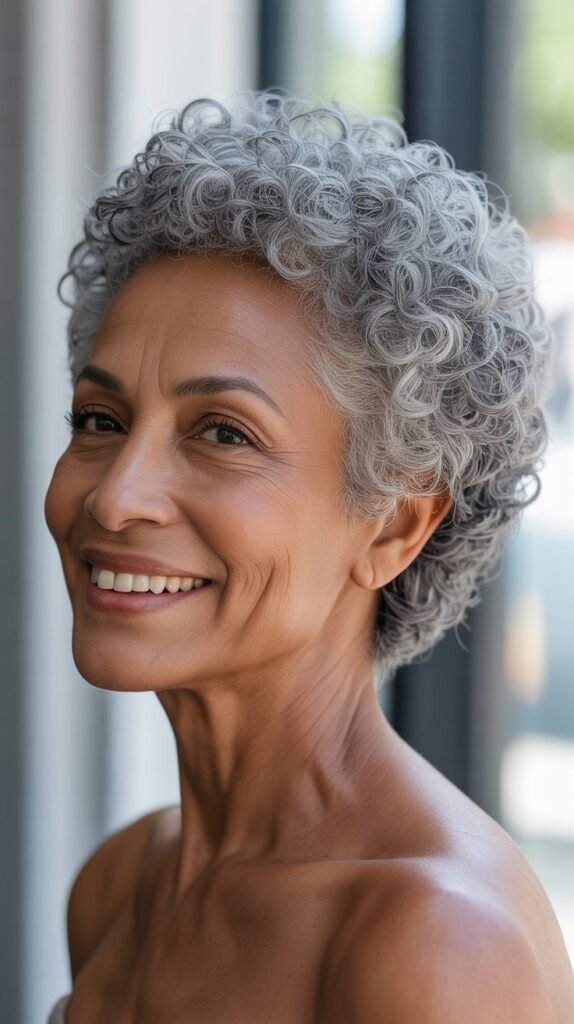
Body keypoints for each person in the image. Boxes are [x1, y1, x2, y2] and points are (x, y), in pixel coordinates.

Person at [44, 90, 574, 1022]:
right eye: (101, 419)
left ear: (393, 528)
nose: (115, 496)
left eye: (223, 432)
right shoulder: (117, 887)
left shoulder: (434, 943)